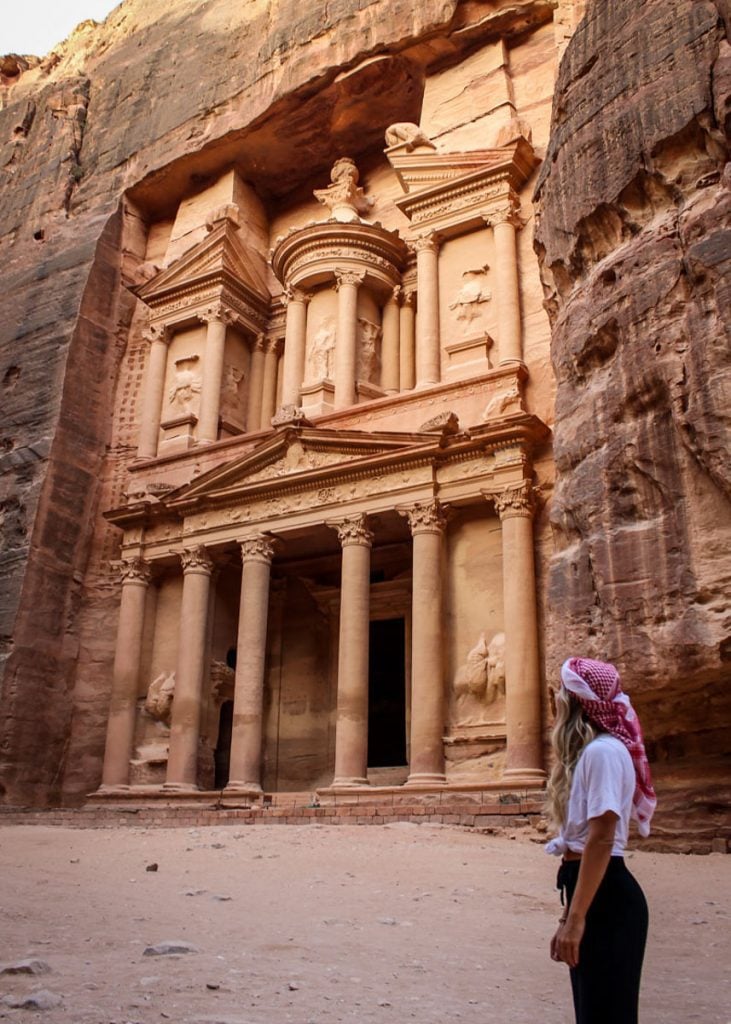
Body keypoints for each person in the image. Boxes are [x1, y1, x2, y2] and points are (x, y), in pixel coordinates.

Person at [546, 657, 657, 1024]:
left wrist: (577, 921)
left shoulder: (603, 752)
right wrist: (569, 917)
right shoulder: (596, 752)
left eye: (563, 693)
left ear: (578, 701)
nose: (556, 700)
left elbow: (601, 838)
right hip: (595, 891)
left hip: (608, 896)